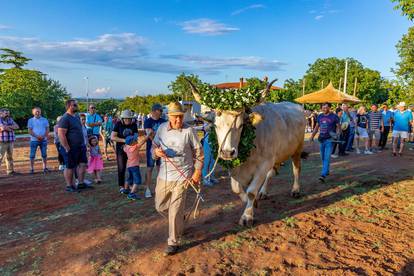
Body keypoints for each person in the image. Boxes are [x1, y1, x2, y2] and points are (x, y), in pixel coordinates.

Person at [153, 102, 204, 255]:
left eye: (181, 117)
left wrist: (197, 172)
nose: (179, 120)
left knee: (174, 210)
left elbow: (199, 153)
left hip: (183, 176)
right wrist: (156, 153)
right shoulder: (161, 128)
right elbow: (154, 148)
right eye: (175, 117)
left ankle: (173, 241)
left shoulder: (189, 131)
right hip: (164, 176)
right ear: (169, 116)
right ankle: (179, 221)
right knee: (160, 206)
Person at [58, 99, 90, 192]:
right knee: (70, 166)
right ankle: (69, 186)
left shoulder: (76, 117)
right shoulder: (65, 118)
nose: (77, 106)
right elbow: (61, 134)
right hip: (70, 147)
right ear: (69, 106)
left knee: (83, 164)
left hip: (80, 146)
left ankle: (80, 183)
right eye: (75, 105)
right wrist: (66, 147)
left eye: (76, 105)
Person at [310, 103, 340, 183]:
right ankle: (326, 170)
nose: (324, 109)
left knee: (327, 157)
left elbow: (338, 126)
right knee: (323, 157)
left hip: (330, 140)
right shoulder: (319, 116)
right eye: (323, 108)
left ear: (329, 108)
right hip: (321, 139)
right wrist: (312, 136)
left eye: (326, 107)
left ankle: (323, 175)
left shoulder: (334, 116)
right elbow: (317, 127)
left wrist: (337, 134)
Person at [111, 110, 138, 193]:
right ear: (122, 118)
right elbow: (113, 137)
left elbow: (136, 136)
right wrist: (125, 140)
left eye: (129, 119)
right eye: (125, 118)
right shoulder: (118, 124)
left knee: (131, 167)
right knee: (121, 167)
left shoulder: (134, 125)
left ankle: (129, 184)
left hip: (131, 150)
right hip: (121, 149)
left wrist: (133, 141)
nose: (127, 120)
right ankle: (121, 185)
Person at [144, 103, 167, 198]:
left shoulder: (164, 121)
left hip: (162, 148)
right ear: (154, 111)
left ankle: (159, 189)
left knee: (160, 169)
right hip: (151, 148)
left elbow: (165, 134)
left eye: (162, 111)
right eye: (160, 110)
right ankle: (147, 189)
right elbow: (150, 135)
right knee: (149, 169)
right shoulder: (148, 121)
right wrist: (155, 142)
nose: (161, 112)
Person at [122, 132, 148, 200]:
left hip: (129, 166)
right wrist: (148, 135)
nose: (137, 140)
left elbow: (125, 145)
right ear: (132, 143)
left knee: (130, 178)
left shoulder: (126, 147)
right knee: (137, 180)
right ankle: (132, 194)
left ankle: (125, 189)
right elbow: (143, 141)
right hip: (134, 166)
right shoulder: (135, 147)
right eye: (135, 140)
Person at [27, 107, 50, 174]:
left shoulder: (45, 120)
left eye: (38, 111)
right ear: (33, 112)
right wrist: (37, 136)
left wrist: (43, 136)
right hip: (34, 140)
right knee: (32, 155)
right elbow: (29, 130)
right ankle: (31, 168)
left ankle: (45, 167)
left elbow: (47, 129)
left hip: (43, 140)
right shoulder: (30, 120)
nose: (37, 112)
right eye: (36, 111)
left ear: (40, 112)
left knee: (44, 154)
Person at [0, 108, 19, 175]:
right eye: (6, 113)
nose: (8, 114)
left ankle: (10, 171)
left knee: (9, 157)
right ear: (1, 113)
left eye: (8, 113)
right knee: (0, 157)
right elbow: (2, 128)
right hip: (1, 142)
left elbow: (17, 126)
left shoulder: (10, 119)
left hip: (10, 141)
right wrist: (11, 127)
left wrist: (7, 127)